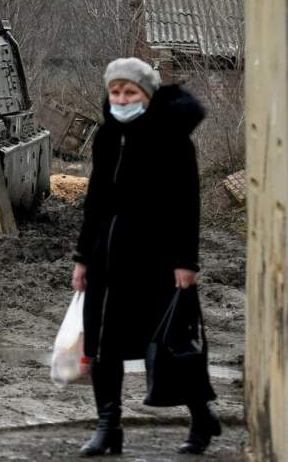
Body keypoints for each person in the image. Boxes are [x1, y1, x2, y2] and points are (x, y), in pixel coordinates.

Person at [71, 57, 221, 456]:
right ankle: (108, 427)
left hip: (156, 260)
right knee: (103, 344)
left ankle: (201, 417)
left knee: (170, 344)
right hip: (106, 258)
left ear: (148, 96)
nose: (121, 99)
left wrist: (186, 263)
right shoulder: (105, 136)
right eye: (115, 91)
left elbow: (187, 203)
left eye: (130, 92)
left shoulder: (172, 138)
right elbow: (95, 200)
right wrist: (83, 257)